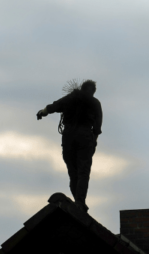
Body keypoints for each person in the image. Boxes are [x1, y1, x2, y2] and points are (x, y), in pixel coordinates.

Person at [36, 80, 102, 212]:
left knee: (73, 173)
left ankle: (78, 203)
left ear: (81, 88)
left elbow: (54, 106)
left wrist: (42, 112)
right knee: (83, 172)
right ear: (93, 91)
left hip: (68, 137)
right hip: (85, 137)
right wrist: (93, 142)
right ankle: (80, 202)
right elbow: (97, 127)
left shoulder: (71, 98)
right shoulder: (95, 103)